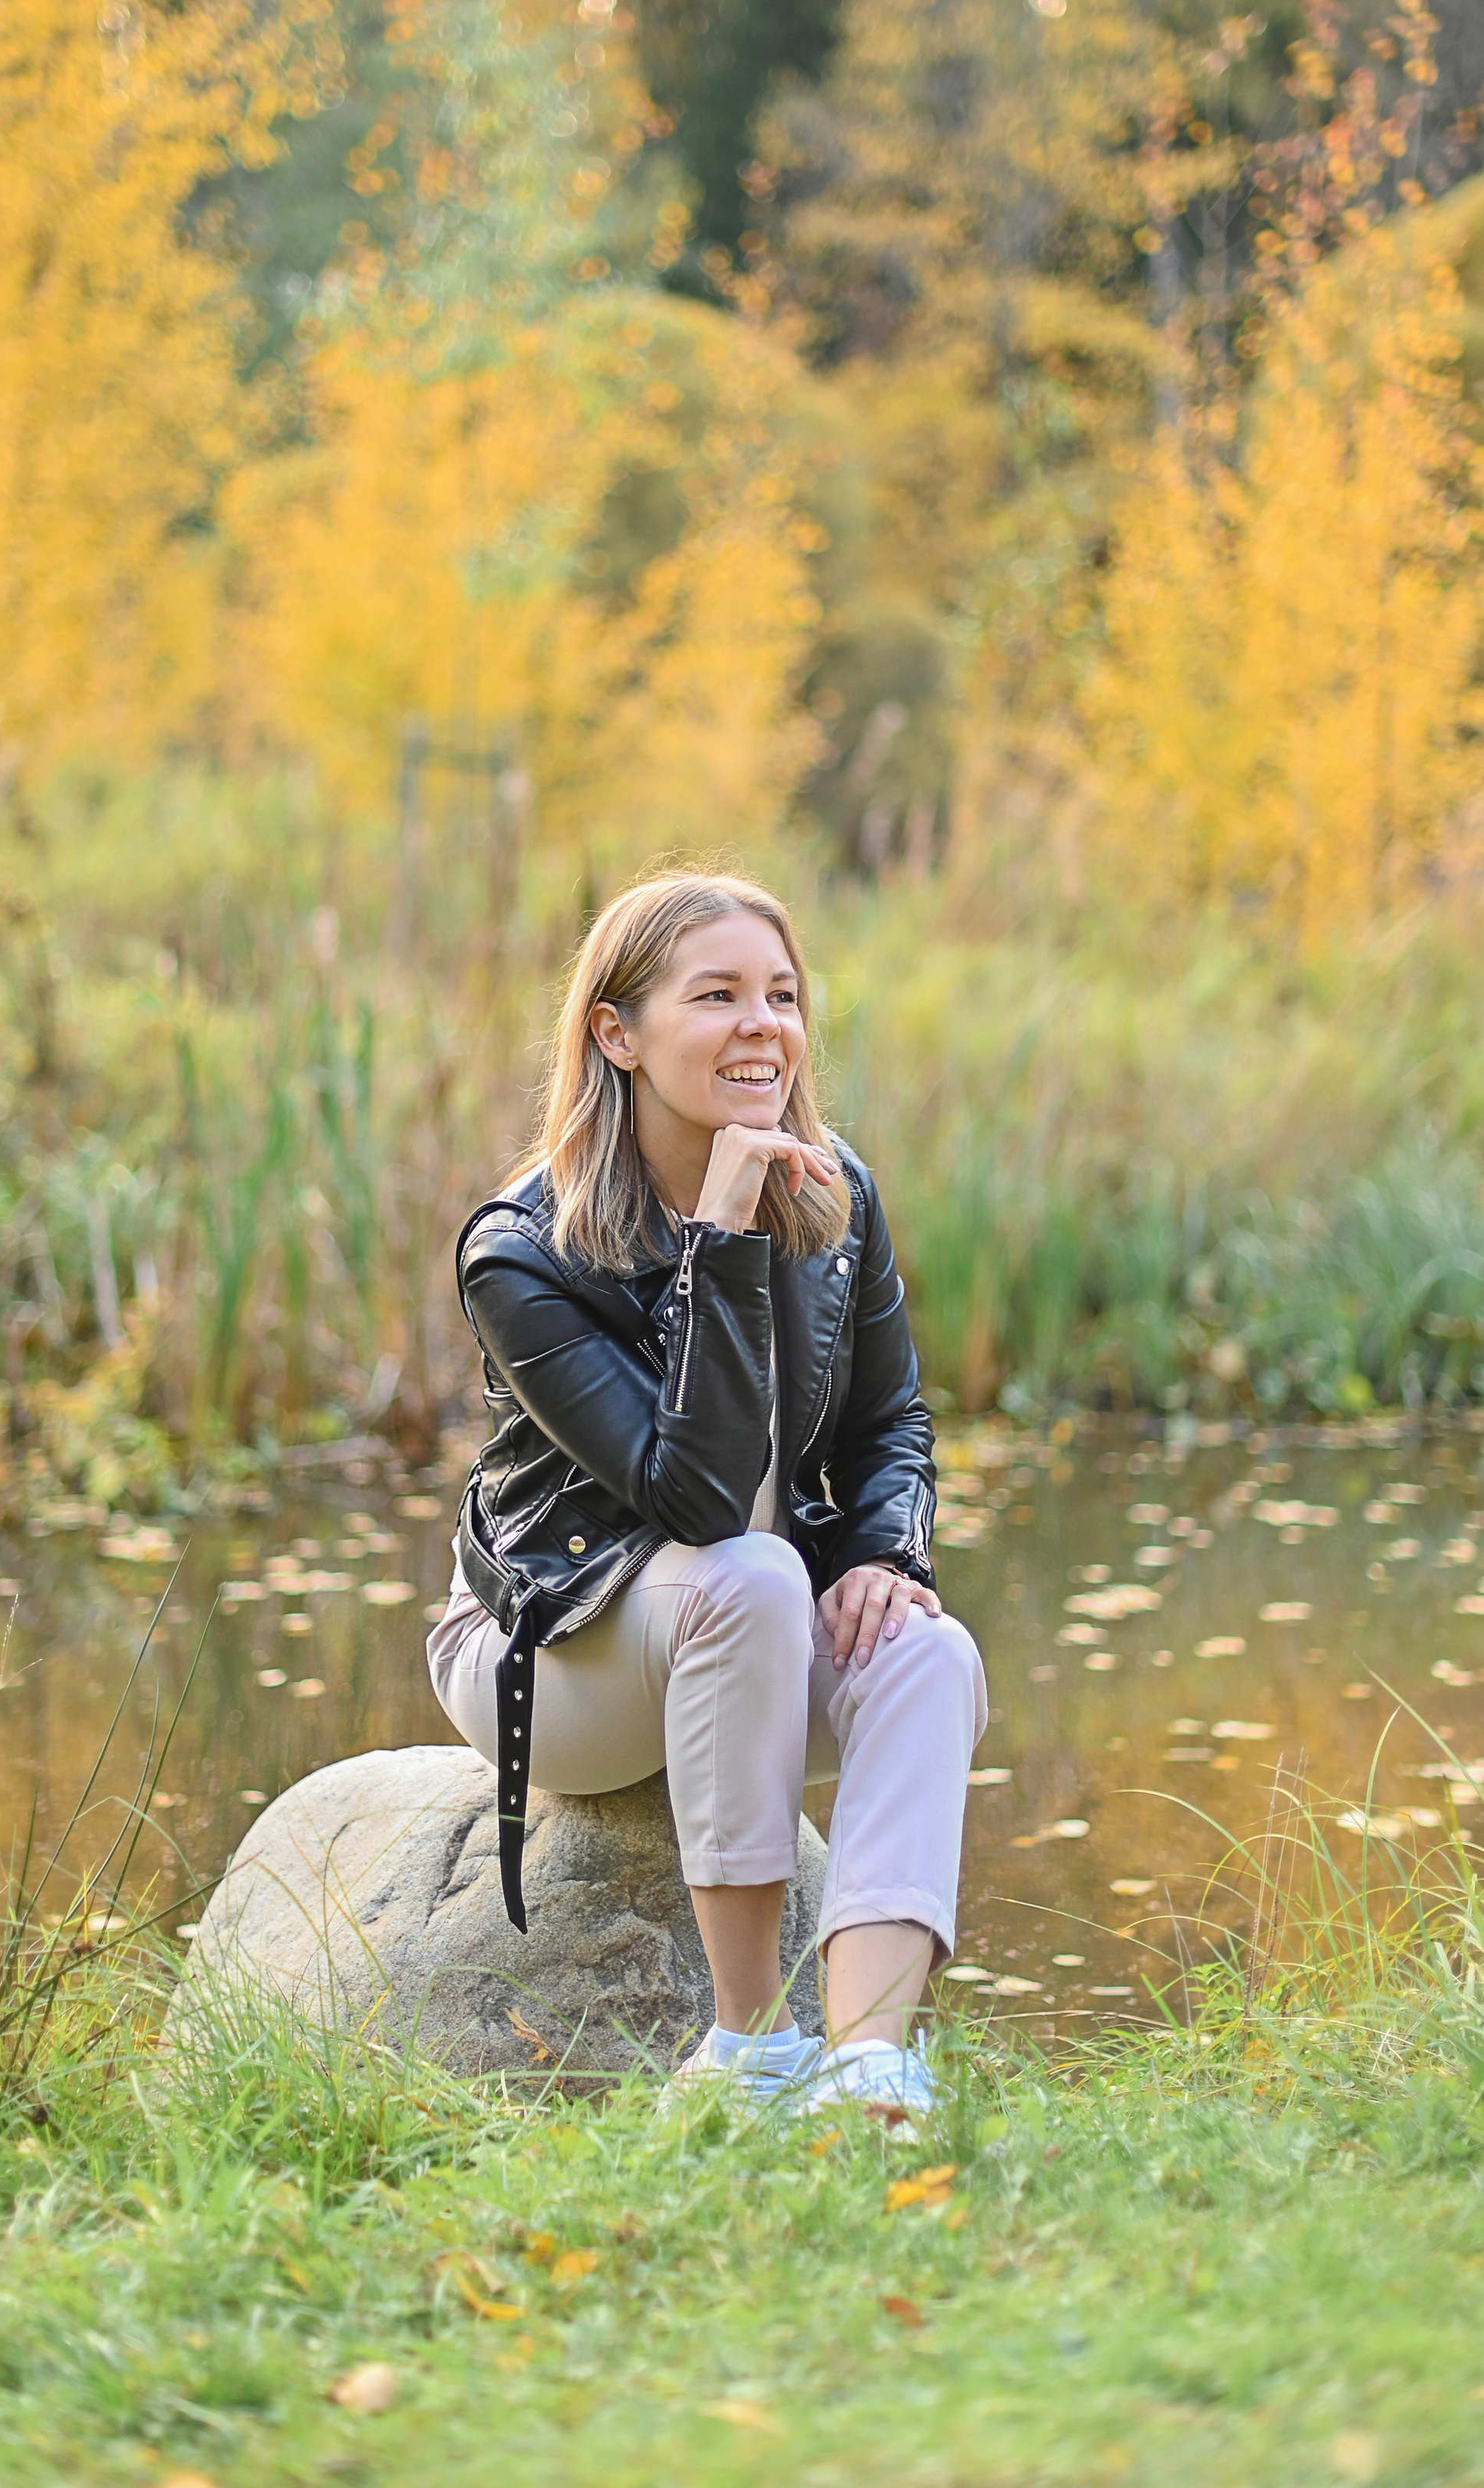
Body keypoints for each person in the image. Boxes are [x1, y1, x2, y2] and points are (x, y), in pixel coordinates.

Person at [428, 870, 988, 2116]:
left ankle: (870, 2064)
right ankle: (750, 2048)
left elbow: (892, 1423)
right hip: (563, 1655)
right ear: (616, 1035)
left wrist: (888, 1559)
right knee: (748, 1570)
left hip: (754, 1622)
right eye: (719, 994)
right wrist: (722, 1240)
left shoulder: (834, 1194)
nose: (764, 1027)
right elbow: (694, 1500)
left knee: (928, 1656)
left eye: (782, 996)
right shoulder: (523, 1253)